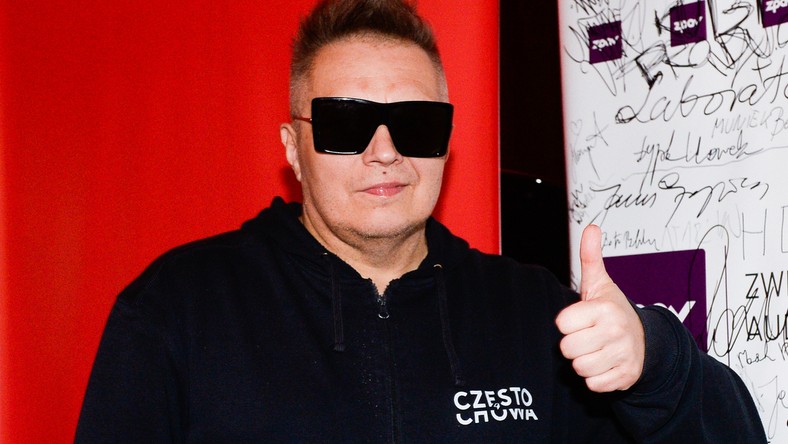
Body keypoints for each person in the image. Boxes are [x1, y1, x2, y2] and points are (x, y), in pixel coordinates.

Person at [75, 0, 767, 442]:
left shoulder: (534, 314)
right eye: (345, 124)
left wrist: (654, 360)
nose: (385, 151)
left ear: (446, 141)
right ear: (292, 147)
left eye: (415, 124)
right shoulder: (178, 309)